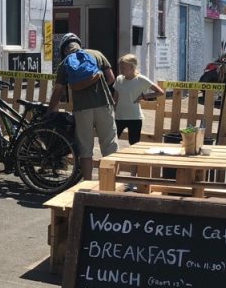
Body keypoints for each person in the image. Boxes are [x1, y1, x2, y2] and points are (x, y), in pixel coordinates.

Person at [48, 33, 117, 180]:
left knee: (85, 149)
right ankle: (109, 182)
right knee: (109, 145)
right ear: (79, 44)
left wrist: (50, 111)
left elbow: (58, 90)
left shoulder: (64, 64)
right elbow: (111, 78)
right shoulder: (97, 54)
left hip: (82, 109)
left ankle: (86, 184)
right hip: (103, 104)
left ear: (64, 49)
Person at [112, 53, 164, 145]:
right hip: (119, 116)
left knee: (134, 143)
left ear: (132, 67)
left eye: (124, 67)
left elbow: (160, 92)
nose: (121, 69)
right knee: (112, 142)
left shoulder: (141, 79)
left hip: (135, 117)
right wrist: (112, 112)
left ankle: (132, 159)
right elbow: (115, 98)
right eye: (120, 67)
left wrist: (144, 96)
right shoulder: (119, 79)